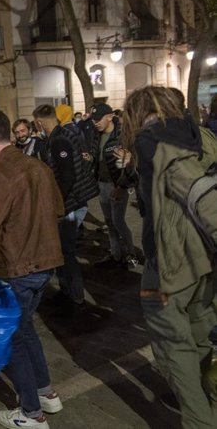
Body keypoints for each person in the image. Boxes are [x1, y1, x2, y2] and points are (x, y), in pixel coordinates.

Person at [121, 86, 217, 428]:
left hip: (168, 265)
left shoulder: (156, 142)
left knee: (172, 351)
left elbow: (203, 196)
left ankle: (199, 420)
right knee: (201, 335)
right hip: (204, 261)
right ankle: (210, 400)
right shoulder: (200, 134)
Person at [0, 111, 64, 429]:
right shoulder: (38, 166)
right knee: (26, 330)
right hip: (47, 261)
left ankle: (32, 412)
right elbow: (58, 208)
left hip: (17, 267)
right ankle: (46, 393)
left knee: (14, 337)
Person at [32, 105, 98, 318]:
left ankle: (76, 297)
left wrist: (56, 203)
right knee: (62, 251)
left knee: (67, 253)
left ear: (39, 123)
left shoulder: (59, 140)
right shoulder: (61, 136)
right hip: (70, 201)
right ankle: (67, 291)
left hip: (70, 203)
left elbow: (67, 175)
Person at [90, 104, 137, 269]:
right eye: (93, 119)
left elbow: (126, 163)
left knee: (118, 221)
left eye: (98, 119)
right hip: (102, 184)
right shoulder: (97, 135)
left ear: (109, 116)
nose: (95, 122)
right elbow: (97, 157)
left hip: (117, 185)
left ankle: (131, 254)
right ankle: (116, 254)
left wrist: (122, 186)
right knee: (109, 222)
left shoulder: (121, 135)